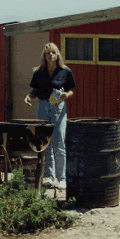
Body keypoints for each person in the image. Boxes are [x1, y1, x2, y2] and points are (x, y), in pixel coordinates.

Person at [24, 42, 76, 190]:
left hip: (58, 106)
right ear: (44, 56)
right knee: (44, 142)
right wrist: (29, 97)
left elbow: (71, 89)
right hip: (43, 106)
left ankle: (62, 178)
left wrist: (67, 95)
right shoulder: (38, 72)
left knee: (59, 142)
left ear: (57, 54)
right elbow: (34, 91)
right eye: (48, 53)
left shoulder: (65, 71)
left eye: (53, 53)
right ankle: (49, 176)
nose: (51, 55)